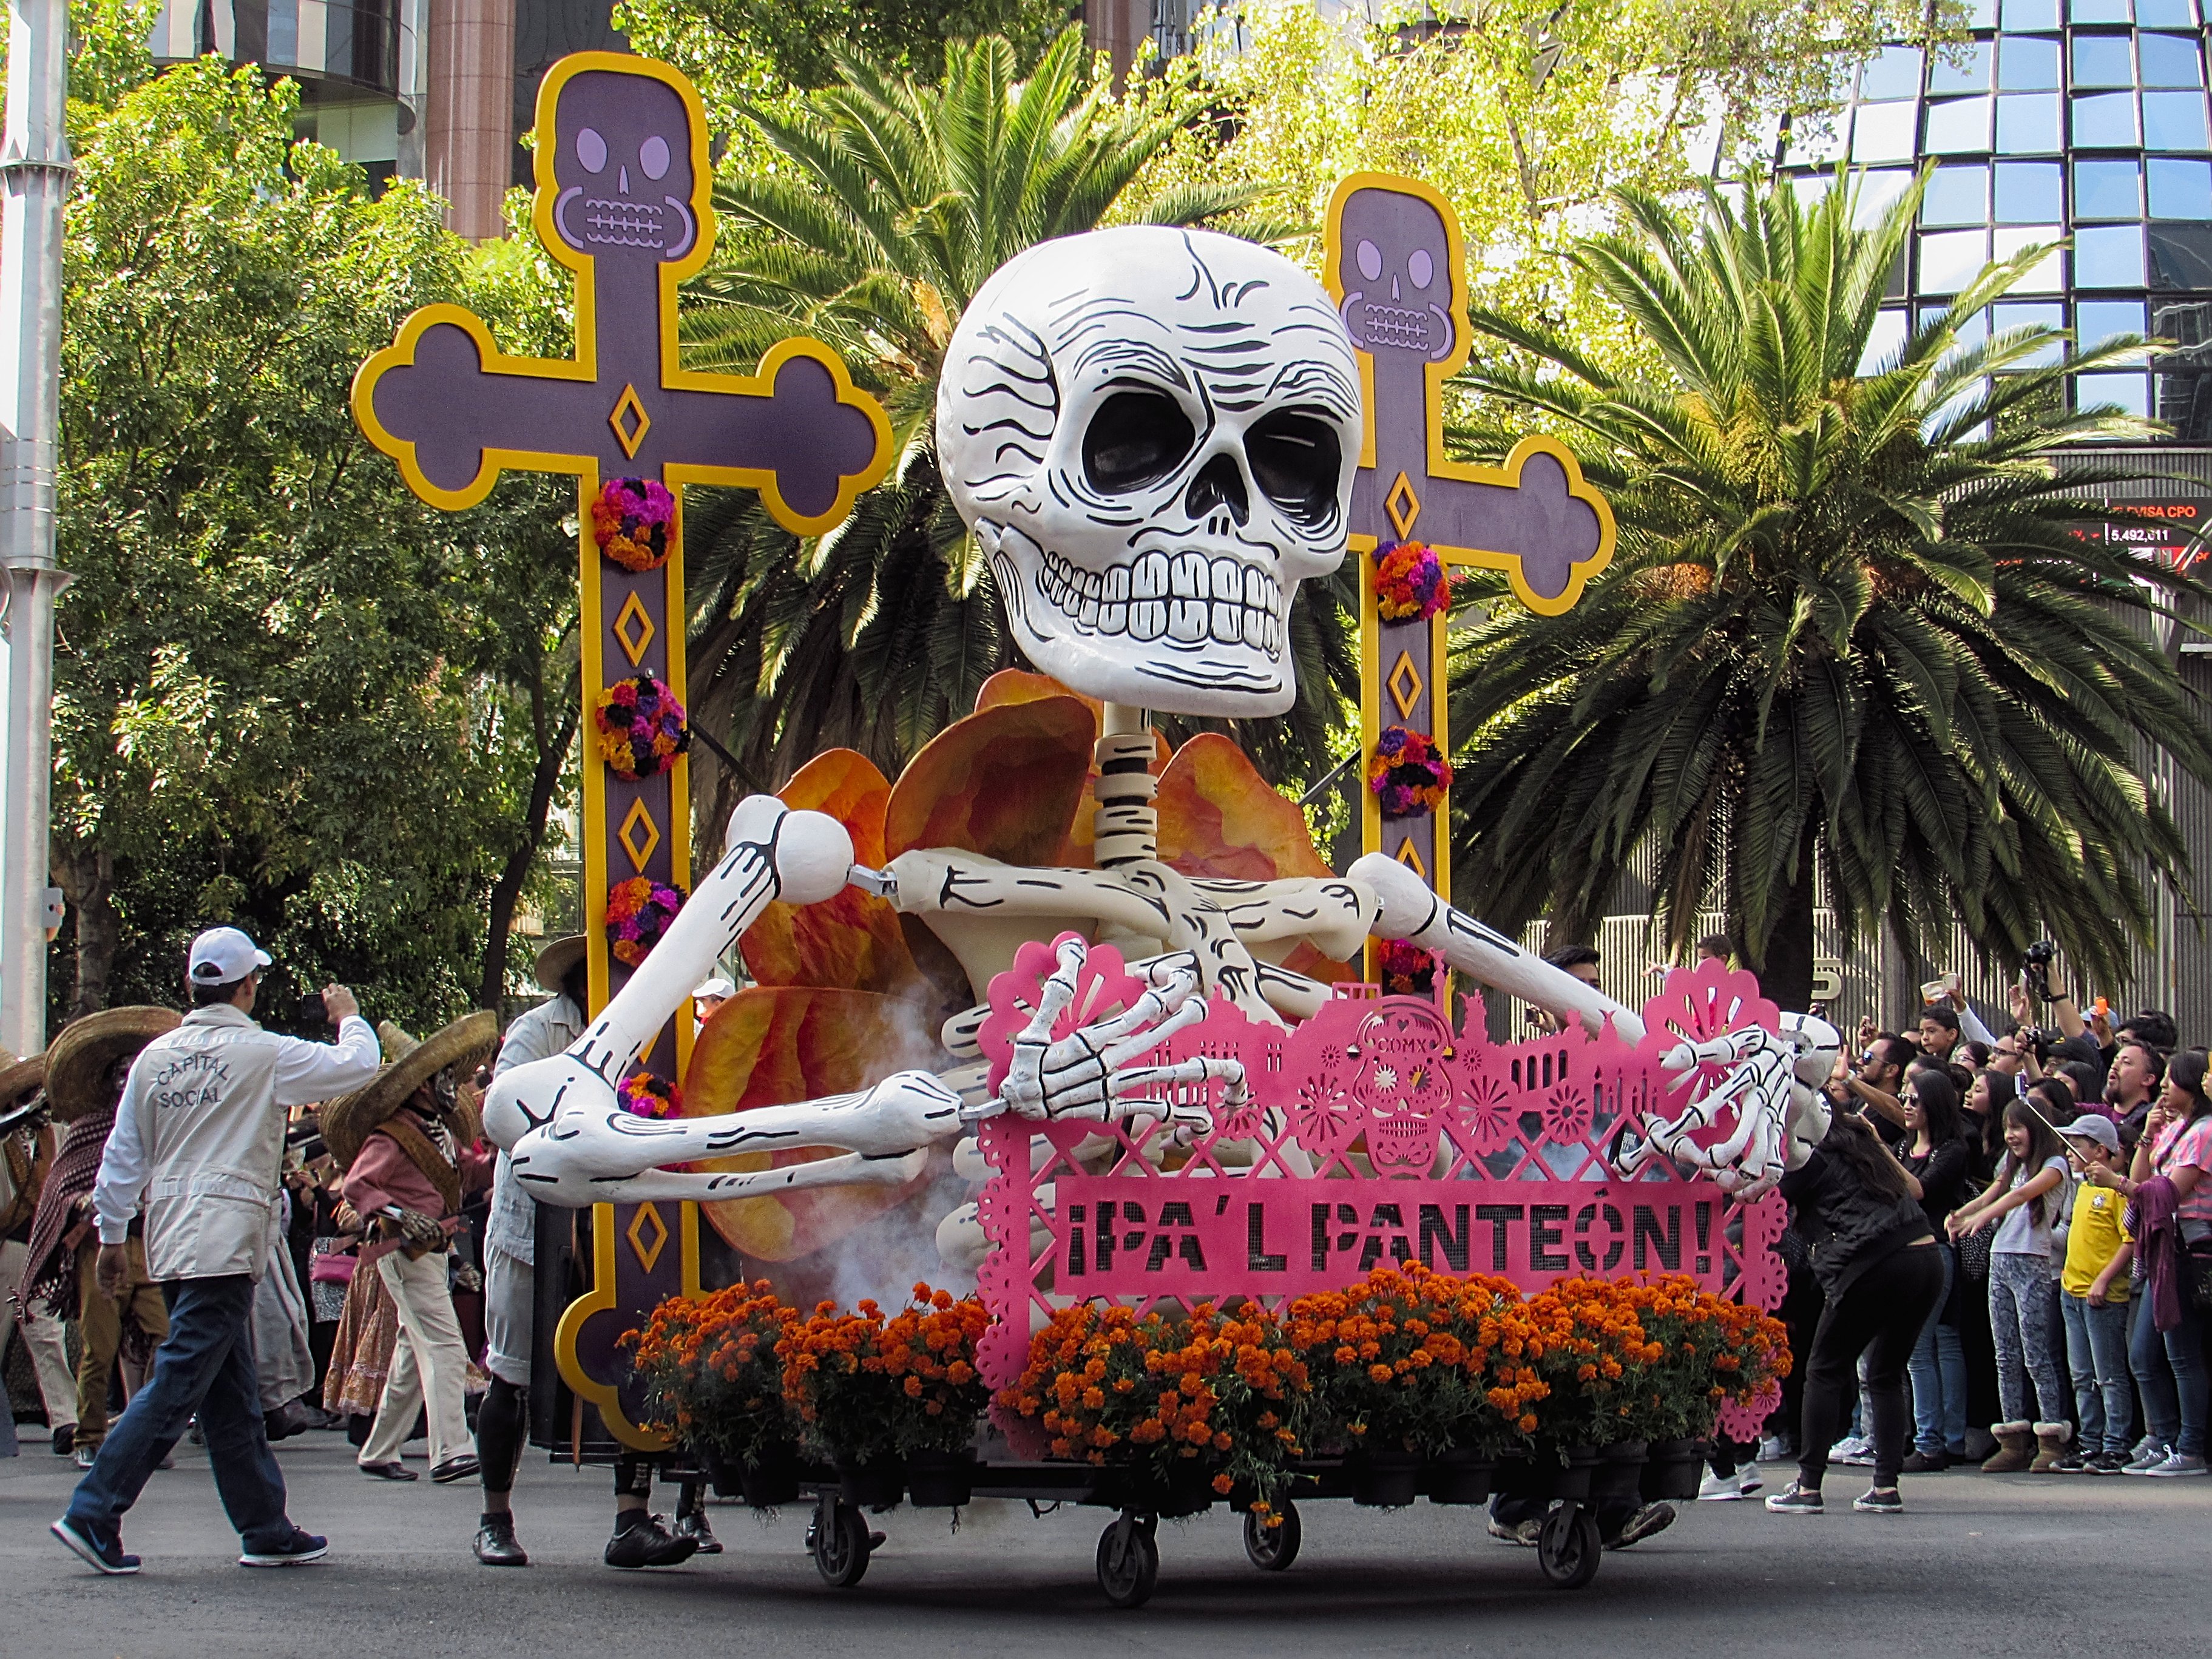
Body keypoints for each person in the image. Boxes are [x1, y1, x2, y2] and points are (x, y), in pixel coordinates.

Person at [50, 927, 381, 1576]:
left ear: (192, 985)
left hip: (172, 1231)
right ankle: (95, 1508)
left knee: (229, 1389)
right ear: (248, 985)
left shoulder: (156, 1058)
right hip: (228, 1234)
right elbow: (357, 1067)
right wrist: (349, 1018)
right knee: (180, 1381)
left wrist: (114, 1237)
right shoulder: (259, 1052)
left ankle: (263, 1524)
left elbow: (123, 1159)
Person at [471, 937, 712, 1570]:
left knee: (636, 1358)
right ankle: (495, 1516)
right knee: (511, 1373)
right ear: (580, 981)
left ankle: (632, 1519)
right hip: (534, 1226)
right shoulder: (536, 1032)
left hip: (627, 1226)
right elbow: (510, 1120)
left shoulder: (656, 1034)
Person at [328, 1015, 497, 1485]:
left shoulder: (437, 1133)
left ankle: (379, 1449)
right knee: (444, 1344)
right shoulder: (393, 1135)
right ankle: (451, 1448)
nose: (451, 1084)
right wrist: (401, 1214)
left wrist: (504, 1145)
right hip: (403, 1250)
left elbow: (473, 1174)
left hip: (433, 1250)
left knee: (410, 1350)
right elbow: (359, 1187)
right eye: (442, 1077)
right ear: (421, 1087)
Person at [16, 1013, 180, 1470]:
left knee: (167, 1338)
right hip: (97, 1248)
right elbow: (60, 1189)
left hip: (148, 1245)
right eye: (123, 1077)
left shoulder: (164, 1130)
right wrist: (83, 1202)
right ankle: (89, 1436)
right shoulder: (90, 1130)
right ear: (111, 1084)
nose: (131, 1085)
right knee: (100, 1346)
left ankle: (141, 1430)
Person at [1763, 1111, 1946, 1515]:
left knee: (1824, 1369)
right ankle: (1885, 1487)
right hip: (1924, 1255)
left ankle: (1808, 1486)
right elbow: (1914, 1188)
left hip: (1870, 1262)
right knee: (1885, 1373)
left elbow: (1767, 1200)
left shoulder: (1809, 1157)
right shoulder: (1862, 1143)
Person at [2087, 1046, 2212, 1477]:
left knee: (2181, 1356)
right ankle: (2161, 1437)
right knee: (2142, 1355)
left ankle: (2190, 1448)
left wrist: (2113, 1181)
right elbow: (2142, 1180)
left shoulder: (2205, 1131)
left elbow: (2165, 1192)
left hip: (2186, 1249)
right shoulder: (2175, 1128)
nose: (2162, 1086)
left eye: (2171, 1079)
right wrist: (2146, 1137)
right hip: (2158, 1251)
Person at [1947, 1099, 2072, 1471]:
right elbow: (1996, 1189)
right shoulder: (2012, 1163)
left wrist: (1983, 1217)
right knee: (2005, 1354)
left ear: (2037, 1128)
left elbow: (2018, 1196)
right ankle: (2013, 1440)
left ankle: (2051, 1439)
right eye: (2006, 1128)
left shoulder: (2056, 1165)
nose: (2010, 1135)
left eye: (2018, 1127)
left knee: (2036, 1353)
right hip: (2000, 1261)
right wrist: (1962, 1213)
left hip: (2032, 1263)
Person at [0, 1049, 78, 1456]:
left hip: (38, 1244)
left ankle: (67, 1420)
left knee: (46, 1332)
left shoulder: (50, 1133)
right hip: (7, 1244)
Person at [2051, 1113, 2134, 1474]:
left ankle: (2116, 1445)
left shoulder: (2116, 1191)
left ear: (2100, 1150)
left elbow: (2130, 1239)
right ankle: (2090, 1442)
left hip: (2102, 1296)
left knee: (2109, 1374)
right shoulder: (2082, 1187)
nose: (2069, 1153)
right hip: (2072, 1291)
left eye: (2076, 1146)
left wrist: (2103, 1279)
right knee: (2082, 1374)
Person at [1896, 1071, 1970, 1471]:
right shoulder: (1905, 1146)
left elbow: (1919, 1190)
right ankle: (1946, 1436)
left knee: (1923, 1348)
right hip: (1910, 1248)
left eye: (1914, 1100)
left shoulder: (1951, 1150)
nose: (1906, 1106)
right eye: (1904, 1099)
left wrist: (1880, 1151)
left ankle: (1931, 1442)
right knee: (1940, 1342)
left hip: (1935, 1250)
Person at [2102, 1041, 2164, 1152]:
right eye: (2115, 1061)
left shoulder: (2151, 1124)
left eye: (2126, 1063)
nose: (2114, 1067)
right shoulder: (2097, 1114)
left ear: (2147, 1079)